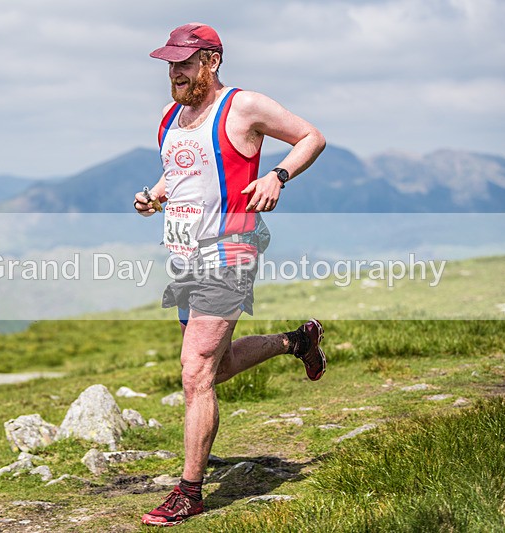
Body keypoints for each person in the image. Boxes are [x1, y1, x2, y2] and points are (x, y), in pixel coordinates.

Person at [133, 22, 327, 527]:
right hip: (182, 254)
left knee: (195, 370)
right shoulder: (169, 116)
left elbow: (312, 136)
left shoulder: (243, 107)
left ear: (211, 62)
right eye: (170, 63)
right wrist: (154, 195)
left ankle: (190, 492)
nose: (174, 71)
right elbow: (179, 173)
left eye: (184, 62)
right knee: (213, 369)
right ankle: (296, 342)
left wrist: (277, 175)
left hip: (229, 250)